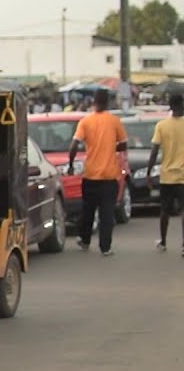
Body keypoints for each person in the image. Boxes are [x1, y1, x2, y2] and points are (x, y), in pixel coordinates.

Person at [68, 89, 128, 256]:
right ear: (108, 102)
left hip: (90, 175)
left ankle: (85, 240)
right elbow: (123, 144)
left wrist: (71, 164)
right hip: (109, 176)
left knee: (88, 210)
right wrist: (111, 148)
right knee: (107, 213)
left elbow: (74, 146)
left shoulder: (85, 122)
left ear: (93, 102)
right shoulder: (115, 121)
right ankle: (105, 247)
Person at [147, 94, 184, 255]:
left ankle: (163, 241)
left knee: (165, 210)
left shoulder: (162, 125)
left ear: (170, 106)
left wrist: (149, 172)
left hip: (166, 175)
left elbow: (154, 150)